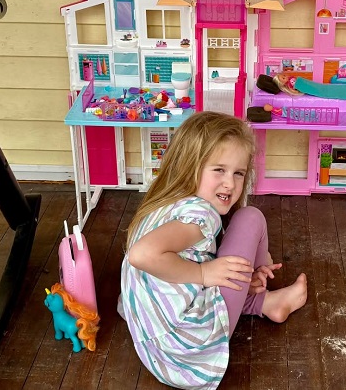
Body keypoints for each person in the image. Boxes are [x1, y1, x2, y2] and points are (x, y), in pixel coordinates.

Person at [118, 111, 307, 389]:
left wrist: (204, 271)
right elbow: (142, 255)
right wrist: (203, 273)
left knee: (218, 254)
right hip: (193, 346)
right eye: (219, 170)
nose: (230, 183)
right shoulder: (201, 214)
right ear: (188, 166)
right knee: (250, 217)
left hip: (155, 343)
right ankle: (260, 283)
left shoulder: (162, 203)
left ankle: (261, 300)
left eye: (238, 173)